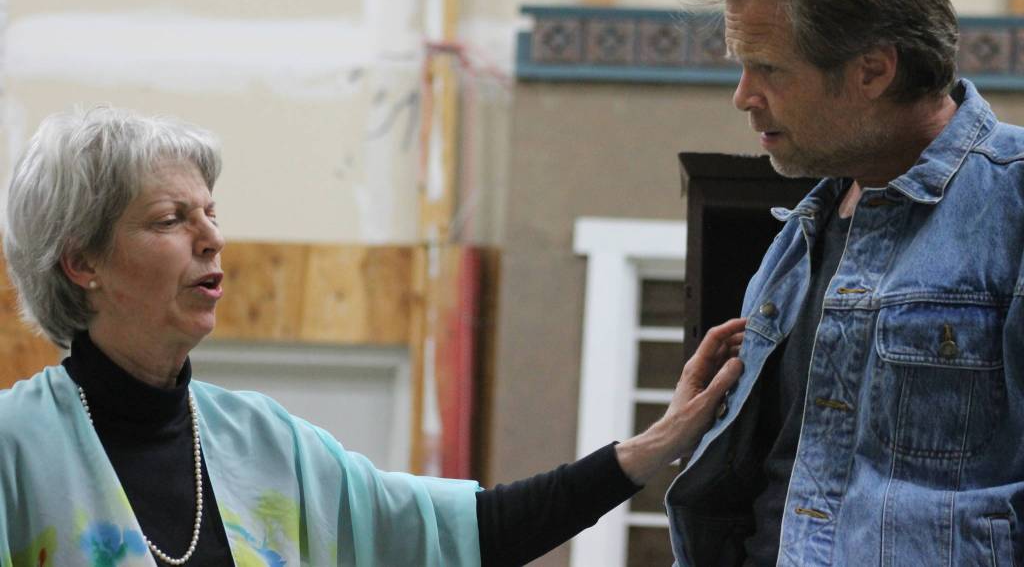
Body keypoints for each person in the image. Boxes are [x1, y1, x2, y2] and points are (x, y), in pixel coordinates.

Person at [0, 107, 744, 566]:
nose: (212, 239)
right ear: (82, 262)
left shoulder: (264, 443)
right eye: (170, 220)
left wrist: (651, 449)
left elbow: (471, 533)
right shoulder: (15, 449)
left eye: (211, 212)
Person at [665, 0, 1024, 566]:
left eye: (767, 68)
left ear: (873, 71)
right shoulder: (797, 237)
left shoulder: (1013, 204)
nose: (743, 95)